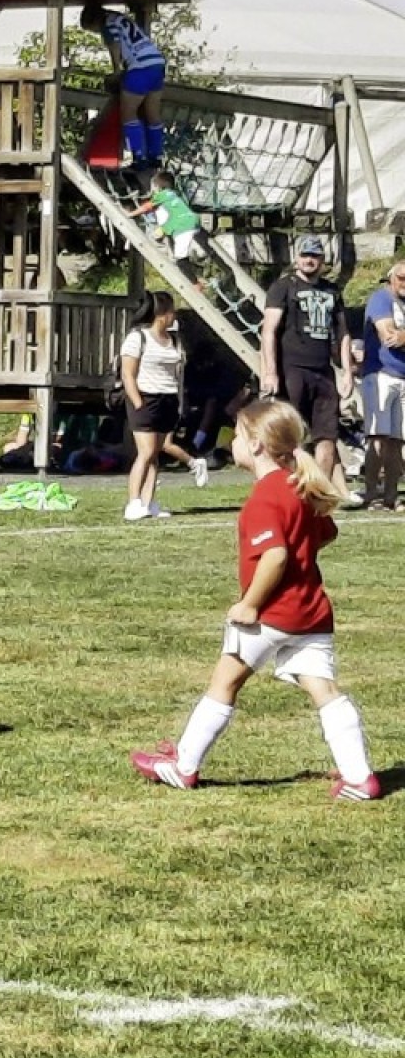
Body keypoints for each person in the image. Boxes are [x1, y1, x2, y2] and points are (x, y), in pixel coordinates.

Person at [131, 399, 378, 799]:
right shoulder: (299, 486)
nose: (232, 442)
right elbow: (326, 534)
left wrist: (250, 604)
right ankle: (359, 776)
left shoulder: (266, 496)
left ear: (257, 444)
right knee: (325, 691)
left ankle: (184, 766)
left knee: (223, 683)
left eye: (238, 435)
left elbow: (275, 556)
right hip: (311, 613)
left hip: (270, 614)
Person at [259, 235, 353, 499]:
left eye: (314, 256)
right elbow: (268, 331)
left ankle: (317, 495)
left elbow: (343, 333)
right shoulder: (283, 287)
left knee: (327, 436)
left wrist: (347, 371)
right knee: (290, 435)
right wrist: (270, 372)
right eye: (305, 255)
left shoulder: (331, 290)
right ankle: (289, 492)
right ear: (296, 257)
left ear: (322, 259)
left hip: (323, 370)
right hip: (292, 369)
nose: (309, 260)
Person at [119, 291, 207, 522]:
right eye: (171, 312)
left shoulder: (174, 340)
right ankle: (133, 502)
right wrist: (138, 402)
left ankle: (149, 503)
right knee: (146, 452)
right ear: (161, 314)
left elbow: (178, 373)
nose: (173, 316)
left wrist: (178, 402)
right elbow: (128, 374)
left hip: (168, 399)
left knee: (155, 455)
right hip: (146, 398)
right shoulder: (137, 338)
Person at [83, 1, 168, 172]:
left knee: (128, 114)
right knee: (152, 113)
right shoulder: (120, 18)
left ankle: (139, 156)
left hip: (139, 66)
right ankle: (156, 155)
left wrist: (116, 71)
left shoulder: (107, 24)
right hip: (157, 62)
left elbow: (114, 45)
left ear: (94, 21)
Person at [358, 259, 405, 509]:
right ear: (391, 278)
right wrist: (399, 336)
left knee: (397, 440)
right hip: (381, 374)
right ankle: (371, 493)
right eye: (401, 278)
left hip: (403, 377)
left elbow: (400, 337)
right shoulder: (381, 299)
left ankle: (391, 495)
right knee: (378, 437)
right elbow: (389, 336)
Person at [131, 170, 204, 268]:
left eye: (153, 187)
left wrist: (131, 214)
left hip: (175, 226)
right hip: (188, 222)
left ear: (158, 187)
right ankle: (181, 258)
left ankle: (171, 260)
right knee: (175, 244)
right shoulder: (175, 194)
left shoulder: (162, 195)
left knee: (155, 238)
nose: (152, 190)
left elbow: (146, 207)